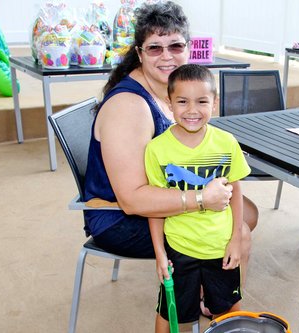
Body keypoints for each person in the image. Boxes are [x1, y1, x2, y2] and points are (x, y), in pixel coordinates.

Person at [83, 1, 257, 262]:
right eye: (155, 48)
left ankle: (201, 282)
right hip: (118, 218)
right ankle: (208, 298)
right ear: (140, 54)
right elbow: (132, 200)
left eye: (175, 46)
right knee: (236, 228)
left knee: (246, 210)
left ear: (188, 48)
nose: (167, 56)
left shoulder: (171, 90)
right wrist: (200, 199)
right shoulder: (129, 107)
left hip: (158, 198)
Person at [145, 64, 250, 331]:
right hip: (180, 248)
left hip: (221, 245)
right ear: (169, 103)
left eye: (202, 101)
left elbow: (235, 191)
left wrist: (236, 239)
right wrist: (159, 253)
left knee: (229, 311)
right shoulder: (156, 150)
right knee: (170, 313)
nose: (192, 110)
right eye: (182, 101)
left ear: (214, 103)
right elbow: (155, 207)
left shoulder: (227, 142)